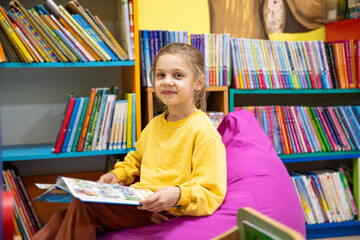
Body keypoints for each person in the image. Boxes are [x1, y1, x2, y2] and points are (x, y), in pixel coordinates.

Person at [33, 42, 227, 240]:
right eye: (160, 75)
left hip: (167, 209)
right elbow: (135, 160)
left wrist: (177, 194)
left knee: (84, 206)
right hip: (140, 200)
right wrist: (117, 175)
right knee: (59, 218)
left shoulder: (203, 132)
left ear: (198, 83)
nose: (167, 81)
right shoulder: (154, 125)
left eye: (178, 75)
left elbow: (210, 192)